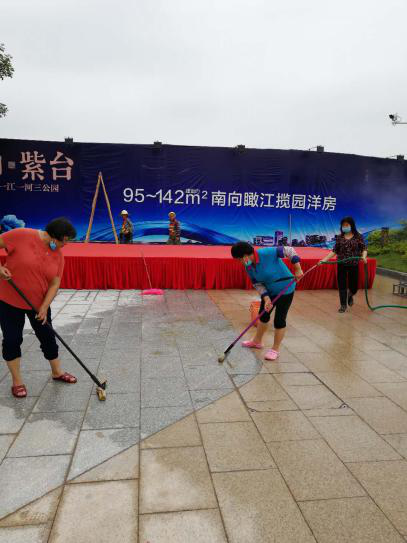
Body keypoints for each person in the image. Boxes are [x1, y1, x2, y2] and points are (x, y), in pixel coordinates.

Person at [0, 218, 78, 398]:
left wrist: (44, 307)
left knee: (47, 337)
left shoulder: (58, 254)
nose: (65, 245)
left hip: (38, 304)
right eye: (65, 240)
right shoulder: (21, 235)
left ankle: (57, 372)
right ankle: (17, 382)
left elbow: (55, 283)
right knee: (12, 340)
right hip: (9, 300)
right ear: (54, 237)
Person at [231, 242, 303, 360]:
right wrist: (266, 298)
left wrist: (298, 269)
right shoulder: (248, 267)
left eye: (239, 259)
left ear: (245, 256)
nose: (240, 262)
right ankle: (257, 341)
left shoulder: (266, 253)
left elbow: (289, 250)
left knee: (279, 320)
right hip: (270, 292)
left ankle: (275, 349)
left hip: (285, 290)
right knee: (263, 315)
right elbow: (257, 283)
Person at [319, 216, 367, 313]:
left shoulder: (358, 236)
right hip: (341, 264)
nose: (345, 227)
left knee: (354, 286)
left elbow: (364, 249)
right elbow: (334, 251)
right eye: (343, 225)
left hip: (354, 264)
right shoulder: (339, 237)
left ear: (351, 225)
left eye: (347, 225)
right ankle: (343, 305)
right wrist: (324, 260)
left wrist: (364, 257)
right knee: (342, 285)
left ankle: (351, 294)